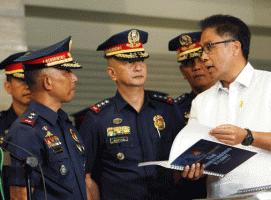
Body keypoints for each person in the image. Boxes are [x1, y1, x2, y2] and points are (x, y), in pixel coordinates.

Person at [187, 14, 271, 199]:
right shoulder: (201, 101)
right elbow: (196, 155)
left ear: (234, 47)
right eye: (202, 50)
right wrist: (195, 168)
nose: (203, 57)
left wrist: (247, 136)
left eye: (209, 47)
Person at [80, 29, 185, 200]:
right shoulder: (97, 118)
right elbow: (87, 178)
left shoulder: (167, 109)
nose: (138, 67)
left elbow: (183, 162)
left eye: (141, 60)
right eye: (128, 62)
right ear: (112, 73)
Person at [5, 36, 92, 200]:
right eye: (66, 72)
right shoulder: (25, 132)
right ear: (47, 82)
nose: (74, 78)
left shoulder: (65, 125)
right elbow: (19, 196)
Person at [168, 32, 216, 199]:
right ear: (183, 71)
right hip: (195, 192)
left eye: (201, 60)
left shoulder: (235, 98)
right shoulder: (174, 109)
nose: (196, 67)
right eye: (189, 63)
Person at [0, 51, 31, 200]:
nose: (27, 86)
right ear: (8, 87)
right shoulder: (0, 125)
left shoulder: (54, 123)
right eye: (21, 80)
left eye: (31, 80)